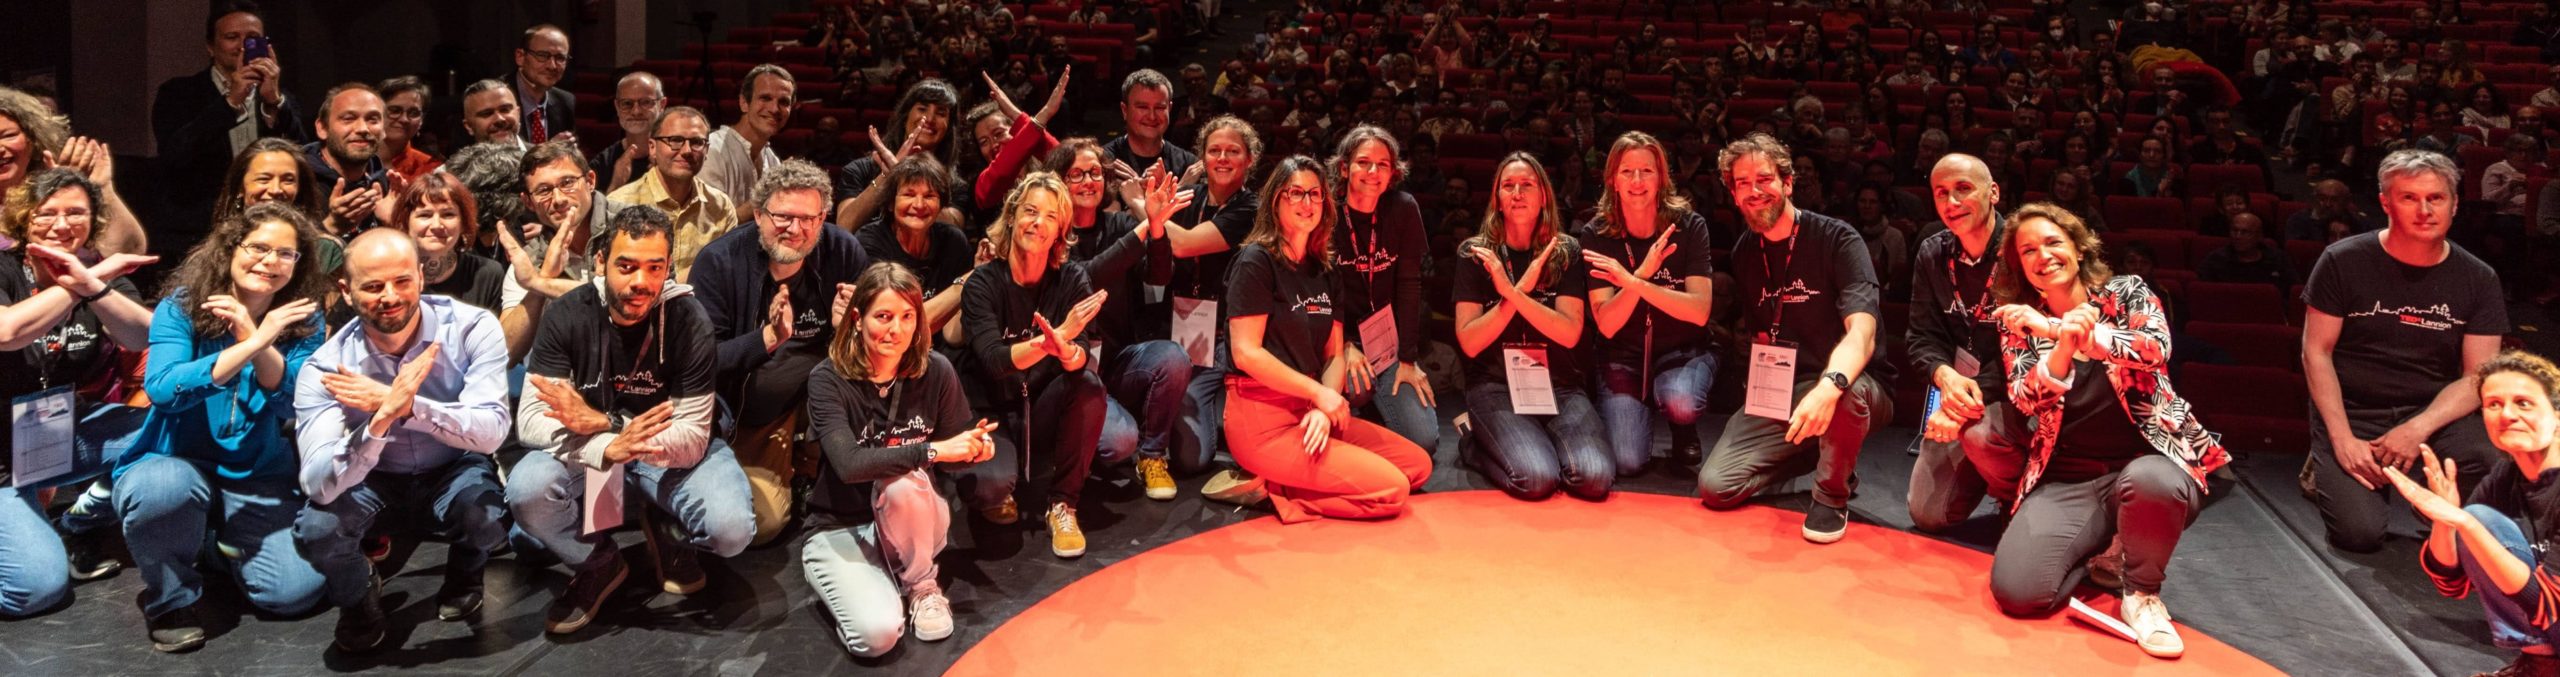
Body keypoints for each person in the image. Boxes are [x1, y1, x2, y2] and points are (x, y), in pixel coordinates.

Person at [1985, 202, 2229, 660]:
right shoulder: (2021, 322)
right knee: (2019, 594)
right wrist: (2058, 343)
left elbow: (2154, 349)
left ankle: (2141, 594)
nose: (2044, 255)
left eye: (2054, 242)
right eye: (2029, 250)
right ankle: (2105, 547)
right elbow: (2025, 398)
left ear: (2078, 249)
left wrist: (2071, 332)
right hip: (2069, 475)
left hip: (2150, 466)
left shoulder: (2127, 292)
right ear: (2019, 264)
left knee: (2149, 480)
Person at [505, 206, 754, 635]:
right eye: (627, 266)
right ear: (601, 263)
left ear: (668, 269)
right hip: (595, 455)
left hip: (667, 454)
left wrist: (607, 428)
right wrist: (606, 447)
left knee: (731, 531)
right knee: (527, 497)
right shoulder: (567, 312)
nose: (641, 281)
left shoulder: (689, 319)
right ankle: (599, 562)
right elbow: (528, 420)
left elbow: (693, 438)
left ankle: (664, 521)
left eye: (654, 267)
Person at [289, 228, 510, 652]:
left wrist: (410, 407)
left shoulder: (471, 328)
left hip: (452, 467)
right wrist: (381, 420)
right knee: (317, 531)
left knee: (487, 517)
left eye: (402, 281)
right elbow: (317, 483)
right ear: (346, 291)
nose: (390, 296)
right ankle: (357, 599)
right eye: (372, 286)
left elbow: (492, 431)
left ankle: (466, 571)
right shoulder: (324, 368)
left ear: (421, 279)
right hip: (372, 478)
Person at [124, 202, 332, 652]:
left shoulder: (302, 318)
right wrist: (254, 338)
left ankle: (214, 544)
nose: (269, 261)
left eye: (285, 254)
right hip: (173, 462)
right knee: (162, 490)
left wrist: (259, 343)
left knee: (295, 594)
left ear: (298, 264)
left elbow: (290, 403)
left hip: (255, 472)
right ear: (231, 248)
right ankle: (171, 601)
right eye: (258, 247)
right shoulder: (180, 306)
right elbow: (164, 390)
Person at [2303, 148, 2508, 553]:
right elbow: (2316, 353)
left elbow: (2477, 378)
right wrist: (2341, 438)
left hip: (2431, 412)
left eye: (2436, 198)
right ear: (2385, 203)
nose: (2424, 210)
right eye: (2409, 198)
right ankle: (2321, 462)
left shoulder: (2479, 278)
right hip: (2356, 411)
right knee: (2359, 535)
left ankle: (2427, 495)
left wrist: (2417, 429)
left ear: (2454, 204)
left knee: (2491, 451)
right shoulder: (2342, 260)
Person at [1698, 133, 1892, 544]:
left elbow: (1863, 332)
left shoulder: (1837, 239)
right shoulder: (1744, 252)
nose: (1755, 191)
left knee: (1846, 396)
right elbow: (1765, 333)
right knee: (1717, 486)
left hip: (1853, 383)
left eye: (1764, 179)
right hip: (1785, 387)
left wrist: (1830, 384)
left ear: (1787, 183)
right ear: (1732, 194)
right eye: (1743, 183)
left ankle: (1831, 494)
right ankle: (1825, 451)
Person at [1215, 155, 1432, 520]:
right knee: (1392, 491)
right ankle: (1277, 492)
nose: (1307, 203)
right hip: (1262, 421)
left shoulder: (1325, 268)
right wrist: (1319, 395)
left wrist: (1321, 407)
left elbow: (1334, 356)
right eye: (1296, 193)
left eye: (1315, 195)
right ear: (1275, 200)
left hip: (1311, 412)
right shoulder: (1256, 261)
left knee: (1418, 466)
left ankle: (1277, 482)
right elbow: (1247, 353)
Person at [800, 262, 995, 656]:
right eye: (884, 317)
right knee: (876, 638)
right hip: (841, 527)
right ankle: (878, 587)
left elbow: (954, 454)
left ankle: (922, 585)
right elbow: (850, 465)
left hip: (911, 519)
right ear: (857, 319)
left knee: (903, 481)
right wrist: (935, 450)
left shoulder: (936, 370)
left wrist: (973, 450)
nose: (896, 330)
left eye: (908, 317)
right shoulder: (827, 379)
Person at [0, 169, 156, 616]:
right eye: (47, 213)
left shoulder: (96, 273)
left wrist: (93, 284)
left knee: (169, 428)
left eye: (76, 213)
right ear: (23, 219)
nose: (62, 224)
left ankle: (81, 522)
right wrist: (76, 286)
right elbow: (8, 331)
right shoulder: (5, 268)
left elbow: (140, 337)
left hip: (51, 436)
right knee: (35, 589)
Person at [692, 159, 871, 546]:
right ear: (758, 214)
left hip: (818, 400)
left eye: (809, 219)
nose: (796, 230)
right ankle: (792, 467)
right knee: (763, 525)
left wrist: (848, 330)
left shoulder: (843, 251)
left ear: (823, 218)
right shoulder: (718, 262)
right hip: (751, 415)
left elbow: (872, 347)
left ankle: (809, 465)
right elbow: (702, 361)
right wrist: (767, 339)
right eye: (783, 217)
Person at [959, 172, 1108, 557]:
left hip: (1041, 405)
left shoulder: (1071, 277)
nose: (1038, 223)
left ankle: (1063, 504)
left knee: (1089, 385)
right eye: (1029, 211)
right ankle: (1005, 483)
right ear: (1011, 215)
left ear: (1061, 230)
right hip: (992, 412)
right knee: (990, 486)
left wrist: (1067, 348)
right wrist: (1049, 340)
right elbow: (993, 361)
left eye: (1050, 217)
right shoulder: (982, 283)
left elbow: (1080, 357)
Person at [2394, 351, 2560, 677]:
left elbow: (2551, 605)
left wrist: (2465, 522)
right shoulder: (2505, 477)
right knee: (2479, 519)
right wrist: (2446, 523)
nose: (2506, 415)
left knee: (2475, 522)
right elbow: (2451, 583)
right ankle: (2541, 665)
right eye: (2493, 404)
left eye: (2524, 403)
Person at [1453, 150, 1608, 500]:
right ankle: (1473, 443)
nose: (1518, 193)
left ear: (1544, 196)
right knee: (1537, 479)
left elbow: (1569, 333)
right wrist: (1517, 295)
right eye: (1508, 186)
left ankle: (1529, 442)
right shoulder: (1475, 254)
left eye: (1527, 185)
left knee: (1593, 478)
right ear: (1498, 198)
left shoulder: (1565, 251)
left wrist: (1511, 293)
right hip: (1496, 386)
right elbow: (1471, 342)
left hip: (1560, 385)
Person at [1577, 132, 1716, 473]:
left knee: (1681, 401)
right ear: (1612, 179)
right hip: (1623, 353)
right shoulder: (1596, 233)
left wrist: (1632, 281)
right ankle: (1636, 411)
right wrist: (1642, 274)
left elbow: (1699, 312)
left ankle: (1681, 426)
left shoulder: (1689, 226)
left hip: (1681, 347)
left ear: (1662, 177)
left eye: (1647, 171)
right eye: (1627, 171)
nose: (1637, 181)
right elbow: (1607, 323)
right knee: (1626, 461)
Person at [1907, 154, 2029, 533]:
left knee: (1980, 434)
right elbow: (1920, 336)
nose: (1952, 202)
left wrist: (1965, 398)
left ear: (1993, 192)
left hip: (2017, 396)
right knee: (1928, 515)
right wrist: (1945, 378)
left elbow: (2031, 351)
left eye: (1963, 189)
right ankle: (1990, 473)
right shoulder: (1933, 252)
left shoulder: (2023, 252)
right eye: (1941, 193)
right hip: (1960, 389)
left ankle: (2018, 497)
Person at [1154, 118, 1263, 499]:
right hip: (1184, 326)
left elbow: (1182, 244)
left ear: (1249, 159)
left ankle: (1224, 410)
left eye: (1233, 151)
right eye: (1214, 150)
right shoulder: (1191, 196)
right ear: (1202, 156)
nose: (1222, 158)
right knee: (1189, 455)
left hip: (1227, 338)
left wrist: (1145, 207)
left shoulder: (1251, 207)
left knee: (1204, 455)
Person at [1327, 126, 1442, 455]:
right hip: (1337, 339)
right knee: (1356, 388)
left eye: (1383, 164)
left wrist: (1408, 359)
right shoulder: (1327, 212)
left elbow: (1409, 285)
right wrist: (1344, 344)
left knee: (1424, 441)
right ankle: (1361, 411)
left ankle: (1372, 415)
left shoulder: (1404, 208)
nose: (1373, 172)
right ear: (1345, 167)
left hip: (1386, 343)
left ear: (1393, 172)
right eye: (1364, 162)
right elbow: (1318, 289)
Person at [154, 4, 305, 234]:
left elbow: (302, 157)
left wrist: (274, 102)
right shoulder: (178, 92)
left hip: (268, 222)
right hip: (198, 226)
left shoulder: (282, 98)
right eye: (232, 37)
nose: (243, 46)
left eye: (253, 38)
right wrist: (230, 102)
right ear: (211, 47)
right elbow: (174, 155)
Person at [496, 139, 633, 361]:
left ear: (590, 180)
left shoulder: (633, 227)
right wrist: (540, 284)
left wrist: (539, 282)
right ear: (528, 202)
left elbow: (632, 305)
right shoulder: (529, 258)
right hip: (561, 371)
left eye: (567, 183)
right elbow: (505, 354)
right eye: (543, 190)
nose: (558, 199)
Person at [0, 89, 145, 257]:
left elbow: (129, 252)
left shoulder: (58, 192)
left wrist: (100, 188)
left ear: (33, 139)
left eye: (8, 136)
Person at [607, 106, 739, 283]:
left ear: (707, 150)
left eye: (697, 142)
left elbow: (726, 277)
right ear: (652, 148)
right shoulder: (619, 204)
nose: (686, 151)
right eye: (675, 140)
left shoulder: (720, 207)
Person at [392, 170, 505, 312]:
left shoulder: (487, 274)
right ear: (405, 221)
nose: (436, 225)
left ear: (463, 223)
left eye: (448, 214)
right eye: (425, 215)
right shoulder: (385, 273)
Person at [836, 79, 955, 212]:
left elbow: (953, 224)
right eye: (922, 109)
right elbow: (846, 225)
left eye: (941, 113)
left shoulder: (955, 183)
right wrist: (888, 176)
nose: (929, 118)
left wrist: (902, 175)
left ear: (949, 128)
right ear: (905, 117)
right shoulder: (860, 170)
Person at [701, 65, 797, 211]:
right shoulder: (712, 151)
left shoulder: (771, 159)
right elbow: (715, 228)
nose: (775, 109)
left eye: (784, 102)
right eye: (765, 98)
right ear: (744, 103)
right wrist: (771, 188)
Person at [305, 82, 393, 237]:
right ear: (322, 128)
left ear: (384, 130)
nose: (362, 129)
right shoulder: (296, 181)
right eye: (348, 119)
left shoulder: (388, 184)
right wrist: (331, 226)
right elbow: (283, 255)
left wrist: (394, 224)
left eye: (373, 120)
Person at [1105, 69, 1198, 178]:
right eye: (1143, 107)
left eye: (1160, 107)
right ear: (1125, 110)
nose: (1152, 116)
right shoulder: (1103, 163)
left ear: (1170, 109)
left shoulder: (1189, 165)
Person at [595, 72, 665, 192]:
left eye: (645, 102)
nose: (636, 111)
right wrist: (616, 185)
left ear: (662, 105)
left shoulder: (678, 154)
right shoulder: (602, 163)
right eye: (627, 103)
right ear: (617, 107)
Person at [512, 24, 575, 145]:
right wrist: (546, 151)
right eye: (542, 56)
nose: (552, 66)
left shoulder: (565, 101)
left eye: (560, 58)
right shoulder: (494, 98)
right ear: (520, 57)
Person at [2196, 213, 2295, 286]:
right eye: (2234, 231)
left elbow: (2292, 292)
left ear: (2259, 236)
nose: (2237, 236)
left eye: (2245, 232)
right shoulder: (2215, 260)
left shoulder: (2278, 259)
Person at [376, 76, 441, 180]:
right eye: (395, 110)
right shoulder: (352, 158)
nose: (404, 119)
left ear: (421, 121)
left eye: (414, 113)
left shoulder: (432, 170)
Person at [458, 79, 523, 148]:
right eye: (487, 114)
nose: (499, 119)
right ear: (469, 126)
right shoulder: (459, 159)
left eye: (505, 110)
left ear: (518, 113)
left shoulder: (535, 155)